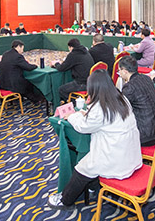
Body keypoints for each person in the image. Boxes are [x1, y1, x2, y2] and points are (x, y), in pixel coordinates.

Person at [47, 70, 141, 209]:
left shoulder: (101, 108)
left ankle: (65, 200)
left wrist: (72, 116)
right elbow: (101, 120)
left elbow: (83, 127)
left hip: (115, 157)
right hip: (130, 152)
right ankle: (92, 188)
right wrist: (87, 112)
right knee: (90, 161)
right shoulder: (121, 98)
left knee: (83, 167)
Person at [117, 56, 155, 146]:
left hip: (146, 136)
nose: (119, 73)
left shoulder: (130, 87)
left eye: (119, 70)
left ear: (125, 71)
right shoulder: (146, 78)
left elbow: (120, 108)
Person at [55, 38, 94, 103]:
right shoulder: (86, 51)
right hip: (90, 82)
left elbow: (61, 68)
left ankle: (74, 104)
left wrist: (56, 64)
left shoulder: (73, 54)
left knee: (61, 90)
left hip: (81, 83)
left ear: (71, 47)